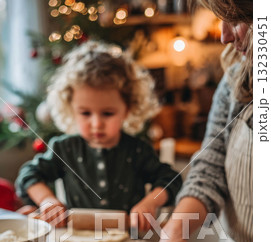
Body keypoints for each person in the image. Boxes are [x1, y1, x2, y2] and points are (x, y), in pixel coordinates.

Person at [139, 0, 253, 242]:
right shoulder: (238, 80)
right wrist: (173, 233)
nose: (224, 37)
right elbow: (209, 170)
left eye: (238, 20)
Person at [15, 41, 182, 230]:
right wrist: (47, 201)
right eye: (85, 113)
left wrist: (150, 203)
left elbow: (171, 178)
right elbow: (29, 175)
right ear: (71, 109)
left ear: (127, 109)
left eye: (108, 113)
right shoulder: (64, 148)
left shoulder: (137, 150)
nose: (96, 124)